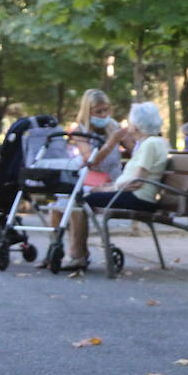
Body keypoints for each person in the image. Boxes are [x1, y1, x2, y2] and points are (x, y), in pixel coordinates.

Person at [38, 88, 124, 272]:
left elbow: (135, 148)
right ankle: (55, 249)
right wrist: (111, 143)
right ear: (88, 111)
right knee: (60, 204)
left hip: (112, 183)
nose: (104, 115)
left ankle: (78, 255)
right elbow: (90, 161)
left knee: (77, 204)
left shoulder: (113, 127)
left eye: (106, 110)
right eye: (98, 111)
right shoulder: (80, 131)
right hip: (89, 180)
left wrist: (124, 138)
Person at [82, 102, 169, 216]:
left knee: (81, 199)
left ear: (137, 125)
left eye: (130, 122)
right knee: (85, 196)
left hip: (138, 197)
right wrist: (109, 188)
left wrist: (108, 189)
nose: (128, 125)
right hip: (135, 195)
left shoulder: (150, 144)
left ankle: (77, 234)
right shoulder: (153, 142)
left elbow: (136, 182)